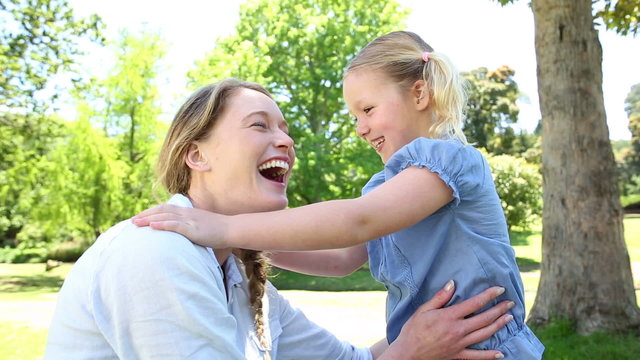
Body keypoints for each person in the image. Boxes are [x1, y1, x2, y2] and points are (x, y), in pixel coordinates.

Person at [133, 31, 545, 358]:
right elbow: (342, 256)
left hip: (485, 345)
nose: (360, 128)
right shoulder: (386, 185)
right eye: (354, 117)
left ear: (419, 94)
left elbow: (355, 221)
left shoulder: (450, 161)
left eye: (368, 110)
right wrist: (242, 239)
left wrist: (223, 227)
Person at [46, 78, 514, 359]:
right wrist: (408, 354)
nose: (287, 142)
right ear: (196, 155)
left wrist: (428, 337)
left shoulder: (241, 279)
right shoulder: (156, 252)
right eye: (260, 125)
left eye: (287, 131)